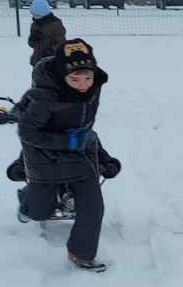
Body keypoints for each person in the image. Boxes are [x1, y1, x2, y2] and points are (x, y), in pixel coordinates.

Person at [9, 40, 120, 272]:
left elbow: (87, 129)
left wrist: (103, 157)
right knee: (40, 211)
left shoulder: (94, 88)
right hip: (45, 159)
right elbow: (27, 132)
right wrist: (64, 142)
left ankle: (81, 254)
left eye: (88, 78)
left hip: (80, 156)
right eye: (75, 79)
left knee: (93, 206)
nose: (83, 85)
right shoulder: (43, 98)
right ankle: (27, 200)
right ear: (62, 76)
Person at [27, 0, 66, 66]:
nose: (35, 17)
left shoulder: (55, 24)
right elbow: (32, 44)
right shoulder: (34, 25)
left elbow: (61, 43)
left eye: (38, 15)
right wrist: (32, 38)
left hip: (52, 59)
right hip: (37, 60)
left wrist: (51, 51)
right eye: (34, 15)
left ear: (44, 13)